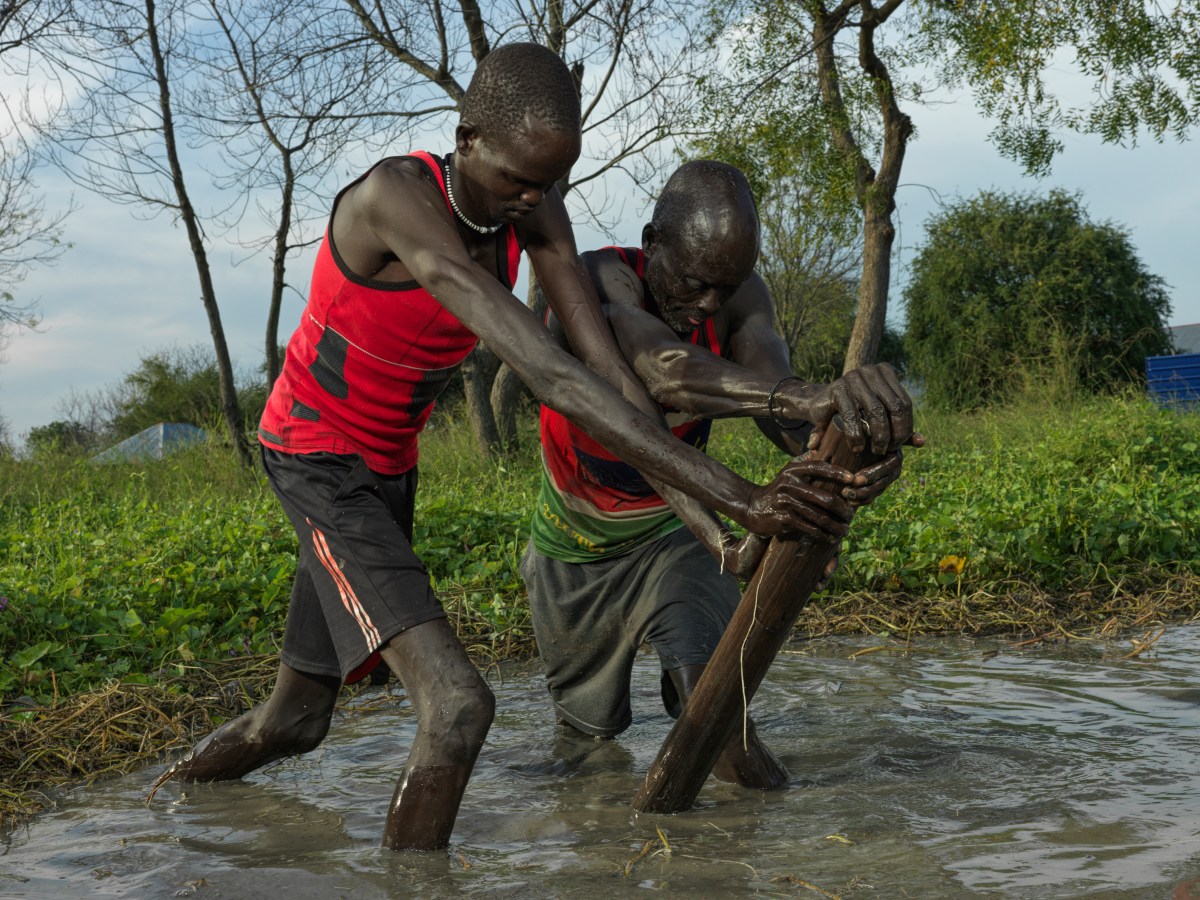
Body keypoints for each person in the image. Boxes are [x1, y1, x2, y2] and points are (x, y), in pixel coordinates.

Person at [147, 46, 893, 852]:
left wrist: (723, 529)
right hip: (318, 462)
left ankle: (161, 806)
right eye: (518, 181)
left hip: (387, 474)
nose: (533, 202)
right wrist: (742, 496)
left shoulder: (534, 213)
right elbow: (552, 374)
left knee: (295, 722)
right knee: (459, 707)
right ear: (466, 138)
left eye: (550, 185)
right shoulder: (392, 200)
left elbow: (614, 392)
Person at [521, 159, 919, 788]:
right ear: (653, 243)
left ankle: (760, 835)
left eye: (724, 288)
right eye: (694, 282)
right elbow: (661, 367)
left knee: (716, 703)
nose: (706, 304)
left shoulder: (741, 298)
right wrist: (805, 397)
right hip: (575, 545)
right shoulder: (597, 280)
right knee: (587, 744)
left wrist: (856, 444)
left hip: (675, 533)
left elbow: (788, 416)